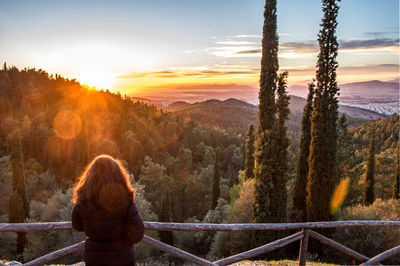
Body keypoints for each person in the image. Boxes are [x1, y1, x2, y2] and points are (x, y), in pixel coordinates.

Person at [71, 154, 144, 266]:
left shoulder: (83, 199)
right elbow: (137, 233)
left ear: (91, 175)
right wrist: (125, 240)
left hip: (94, 258)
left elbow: (77, 225)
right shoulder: (125, 199)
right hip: (122, 258)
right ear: (118, 175)